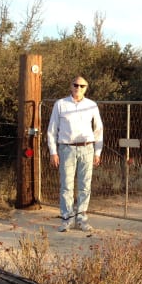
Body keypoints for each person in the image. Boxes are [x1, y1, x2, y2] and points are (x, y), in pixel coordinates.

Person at [45, 76, 104, 232]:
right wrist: (53, 152)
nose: (78, 88)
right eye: (75, 85)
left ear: (86, 88)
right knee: (66, 186)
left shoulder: (91, 105)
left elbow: (98, 130)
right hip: (66, 149)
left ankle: (82, 218)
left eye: (82, 86)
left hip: (87, 148)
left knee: (85, 185)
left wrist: (97, 152)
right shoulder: (60, 104)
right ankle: (67, 218)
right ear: (70, 86)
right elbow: (52, 130)